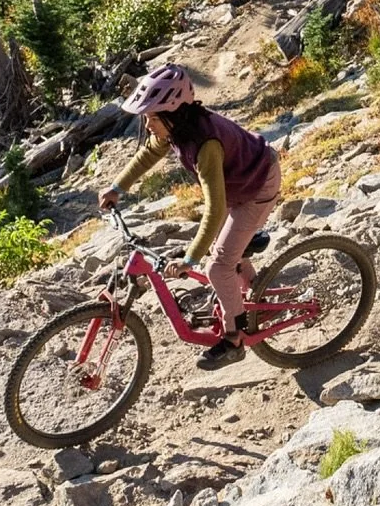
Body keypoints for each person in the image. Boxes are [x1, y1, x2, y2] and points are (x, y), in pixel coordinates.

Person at [98, 64, 282, 370]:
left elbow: (214, 206)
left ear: (173, 113)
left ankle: (234, 341)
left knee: (218, 266)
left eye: (153, 117)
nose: (148, 124)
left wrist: (190, 260)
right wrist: (117, 187)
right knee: (224, 252)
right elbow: (149, 153)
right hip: (237, 183)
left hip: (258, 184)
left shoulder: (205, 144)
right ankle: (257, 291)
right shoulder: (177, 129)